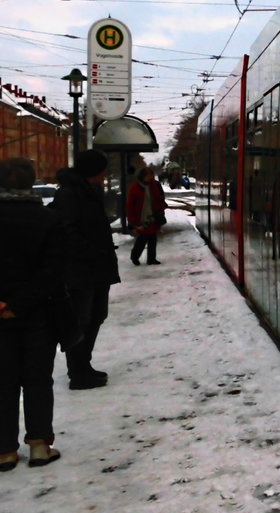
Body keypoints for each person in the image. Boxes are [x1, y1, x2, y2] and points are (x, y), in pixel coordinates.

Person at [0, 157, 69, 469]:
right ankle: (40, 445)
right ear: (31, 183)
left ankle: (4, 451)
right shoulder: (48, 220)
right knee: (38, 379)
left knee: (3, 381)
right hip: (38, 313)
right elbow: (52, 272)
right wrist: (20, 304)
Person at [49, 149, 120, 390]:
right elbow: (68, 233)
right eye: (102, 169)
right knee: (82, 320)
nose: (105, 174)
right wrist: (92, 252)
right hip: (81, 271)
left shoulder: (87, 191)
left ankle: (83, 366)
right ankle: (78, 373)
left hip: (95, 268)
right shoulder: (70, 195)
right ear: (93, 171)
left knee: (97, 316)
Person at [126, 166, 167, 266]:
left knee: (153, 238)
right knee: (142, 238)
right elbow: (130, 205)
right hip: (141, 217)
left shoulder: (154, 186)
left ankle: (151, 259)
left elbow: (159, 199)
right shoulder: (135, 188)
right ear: (143, 176)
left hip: (153, 216)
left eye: (152, 176)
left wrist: (161, 208)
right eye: (149, 176)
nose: (151, 178)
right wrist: (132, 220)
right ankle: (135, 256)